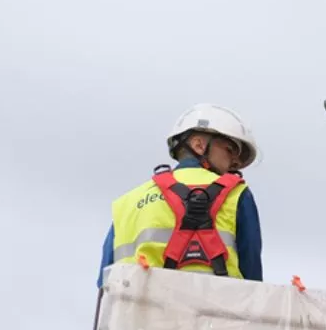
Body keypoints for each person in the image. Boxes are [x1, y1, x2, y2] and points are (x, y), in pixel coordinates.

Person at [96, 103, 264, 287]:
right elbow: (253, 284)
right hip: (214, 313)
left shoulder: (128, 202)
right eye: (230, 150)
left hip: (138, 314)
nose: (234, 162)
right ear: (199, 145)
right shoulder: (236, 194)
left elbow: (104, 283)